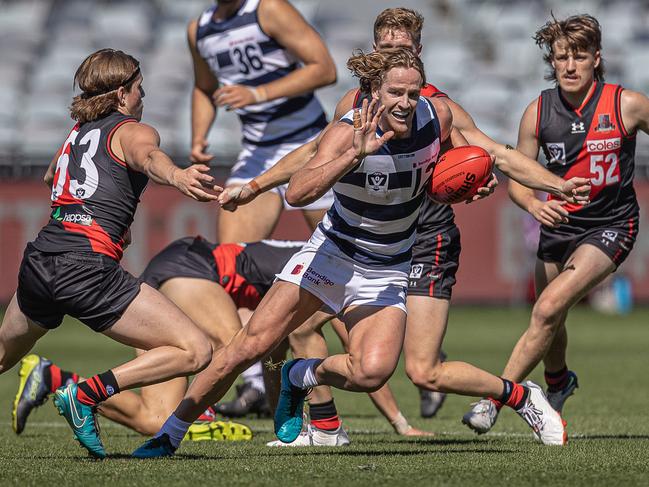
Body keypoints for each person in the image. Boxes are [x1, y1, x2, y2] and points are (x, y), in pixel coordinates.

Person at [131, 48, 564, 458]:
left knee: (371, 372)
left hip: (390, 264)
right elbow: (299, 193)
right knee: (248, 346)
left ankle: (299, 375)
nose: (406, 102)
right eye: (396, 93)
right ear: (375, 91)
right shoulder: (348, 130)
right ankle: (170, 433)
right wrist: (353, 155)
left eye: (413, 93)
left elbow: (490, 157)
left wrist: (544, 184)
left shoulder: (439, 118)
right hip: (331, 255)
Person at [219, 7, 591, 440]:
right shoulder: (354, 104)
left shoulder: (436, 107)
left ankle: (520, 396)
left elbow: (496, 155)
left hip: (426, 237)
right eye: (385, 47)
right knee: (303, 326)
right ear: (375, 52)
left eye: (402, 48)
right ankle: (320, 418)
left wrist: (554, 185)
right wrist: (257, 184)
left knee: (424, 370)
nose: (393, 54)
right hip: (364, 245)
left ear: (418, 51)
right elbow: (311, 155)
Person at [0, 49, 223, 459]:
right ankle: (85, 394)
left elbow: (53, 177)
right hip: (85, 267)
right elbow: (150, 159)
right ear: (122, 93)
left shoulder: (78, 130)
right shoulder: (133, 130)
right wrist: (177, 175)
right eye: (140, 88)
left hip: (42, 258)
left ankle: (80, 393)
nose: (144, 95)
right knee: (195, 350)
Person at [13, 235, 427, 445]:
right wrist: (399, 422)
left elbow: (284, 351)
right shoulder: (329, 266)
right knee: (241, 346)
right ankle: (322, 428)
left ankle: (59, 382)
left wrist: (275, 407)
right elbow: (346, 345)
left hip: (175, 275)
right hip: (193, 266)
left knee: (154, 420)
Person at [462, 14, 645, 435]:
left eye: (579, 56)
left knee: (546, 309)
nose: (569, 66)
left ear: (597, 59)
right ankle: (559, 381)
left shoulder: (626, 104)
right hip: (558, 225)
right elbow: (518, 182)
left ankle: (494, 400)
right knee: (550, 320)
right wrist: (533, 205)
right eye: (562, 56)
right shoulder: (537, 111)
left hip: (612, 225)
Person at [188, 0, 336, 409]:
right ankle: (254, 382)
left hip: (311, 147)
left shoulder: (268, 9)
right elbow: (204, 88)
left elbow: (325, 68)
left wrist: (258, 92)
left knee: (345, 262)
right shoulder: (198, 29)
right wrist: (199, 136)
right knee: (231, 266)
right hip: (256, 152)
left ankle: (397, 357)